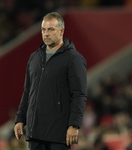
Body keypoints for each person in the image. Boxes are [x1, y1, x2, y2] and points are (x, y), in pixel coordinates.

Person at [14, 12, 87, 150]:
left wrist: (74, 125)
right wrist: (20, 119)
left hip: (59, 134)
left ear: (61, 31)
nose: (46, 33)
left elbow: (79, 94)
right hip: (35, 131)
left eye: (51, 29)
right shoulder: (34, 58)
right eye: (43, 29)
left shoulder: (74, 59)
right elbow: (28, 91)